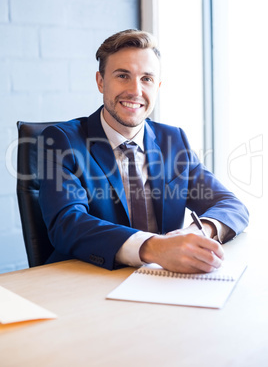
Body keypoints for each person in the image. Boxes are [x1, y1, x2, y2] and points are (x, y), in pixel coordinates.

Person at [39, 29, 249, 273]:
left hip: (162, 279)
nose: (135, 91)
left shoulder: (173, 140)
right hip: (88, 279)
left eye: (146, 79)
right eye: (123, 76)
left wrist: (196, 232)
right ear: (100, 81)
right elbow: (68, 224)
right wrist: (155, 247)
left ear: (157, 86)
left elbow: (231, 205)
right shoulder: (62, 141)